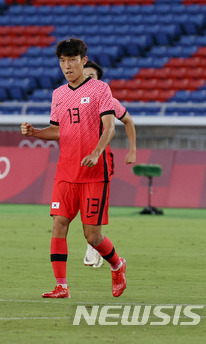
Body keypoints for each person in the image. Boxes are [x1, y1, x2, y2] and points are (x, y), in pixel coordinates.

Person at [20, 38, 127, 299]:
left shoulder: (101, 89)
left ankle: (117, 265)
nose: (67, 66)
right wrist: (36, 132)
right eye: (62, 61)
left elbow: (111, 127)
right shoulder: (58, 94)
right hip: (66, 172)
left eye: (72, 60)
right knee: (58, 224)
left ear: (83, 60)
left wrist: (96, 152)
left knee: (92, 236)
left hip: (93, 174)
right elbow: (56, 130)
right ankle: (62, 286)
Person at [82, 60, 137, 268]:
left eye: (91, 77)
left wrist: (132, 149)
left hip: (101, 161)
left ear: (99, 81)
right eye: (84, 75)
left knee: (94, 203)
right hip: (75, 161)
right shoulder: (69, 98)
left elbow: (128, 121)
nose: (86, 80)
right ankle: (94, 241)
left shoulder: (107, 101)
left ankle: (93, 243)